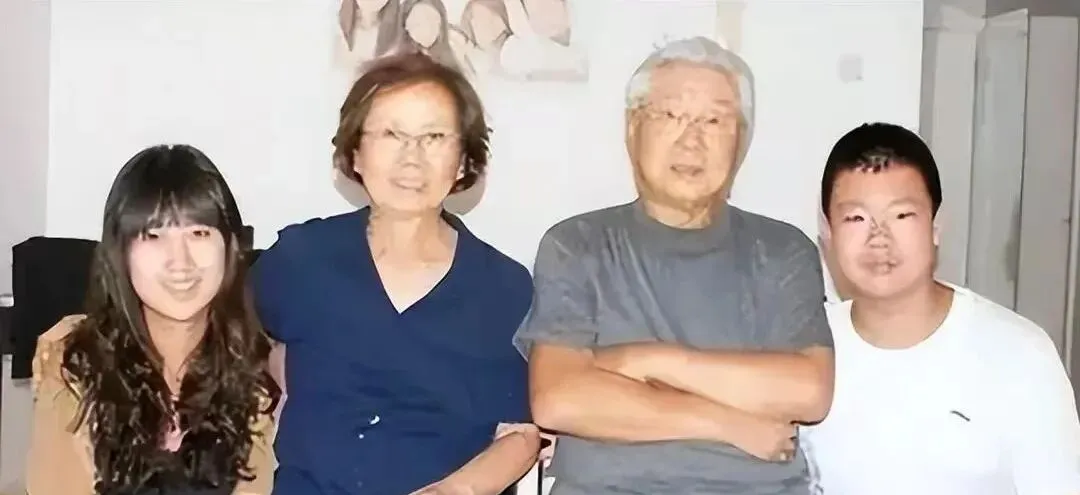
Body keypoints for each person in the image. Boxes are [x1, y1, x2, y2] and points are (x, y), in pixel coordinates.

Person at [514, 37, 835, 495]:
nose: (692, 139)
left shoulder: (782, 250)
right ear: (632, 129)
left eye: (714, 120)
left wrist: (642, 360)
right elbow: (560, 399)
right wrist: (728, 423)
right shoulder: (577, 244)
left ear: (741, 140)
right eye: (670, 115)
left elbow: (808, 391)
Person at [251, 52, 539, 495]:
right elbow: (231, 335)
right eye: (390, 134)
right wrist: (282, 370)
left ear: (463, 161)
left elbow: (520, 434)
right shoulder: (302, 260)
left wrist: (450, 492)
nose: (411, 158)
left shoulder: (504, 289)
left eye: (434, 137)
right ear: (356, 154)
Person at [800, 122, 1080, 494]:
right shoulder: (806, 349)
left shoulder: (1019, 353)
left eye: (901, 215)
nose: (879, 238)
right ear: (827, 231)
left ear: (935, 226)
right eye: (856, 218)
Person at [26, 144, 280, 495]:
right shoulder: (75, 363)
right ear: (121, 253)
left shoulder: (251, 374)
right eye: (153, 235)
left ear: (230, 247)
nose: (180, 261)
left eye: (199, 233)